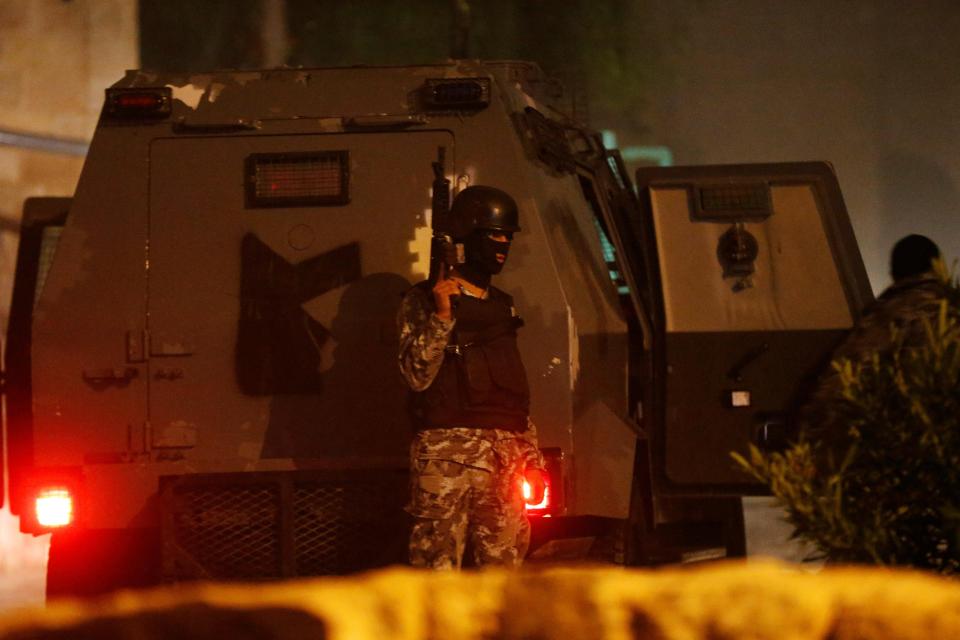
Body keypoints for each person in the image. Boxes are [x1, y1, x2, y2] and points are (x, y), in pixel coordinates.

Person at [397, 185, 547, 570]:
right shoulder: (424, 300)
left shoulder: (502, 305)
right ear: (468, 237)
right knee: (437, 581)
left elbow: (514, 392)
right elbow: (416, 374)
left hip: (503, 461)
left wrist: (533, 460)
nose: (503, 244)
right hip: (446, 460)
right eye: (494, 235)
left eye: (507, 237)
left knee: (502, 582)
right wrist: (442, 317)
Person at [803, 234, 948, 445]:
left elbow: (845, 379)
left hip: (915, 448)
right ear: (938, 266)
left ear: (896, 271)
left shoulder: (893, 314)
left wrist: (809, 437)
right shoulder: (951, 308)